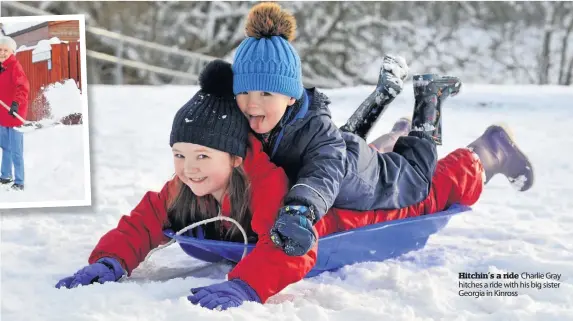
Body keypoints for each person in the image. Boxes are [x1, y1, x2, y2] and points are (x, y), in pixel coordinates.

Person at [54, 60, 534, 311]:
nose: (189, 169)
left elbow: (290, 246)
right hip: (350, 168)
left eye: (202, 157)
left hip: (361, 209)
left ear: (236, 160)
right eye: (179, 156)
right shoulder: (187, 185)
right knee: (374, 155)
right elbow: (144, 221)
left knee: (435, 187)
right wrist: (112, 258)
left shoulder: (266, 185)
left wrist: (246, 285)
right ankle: (397, 135)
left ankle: (488, 149)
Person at [231, 2, 462, 257]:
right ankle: (382, 96)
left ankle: (430, 96)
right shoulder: (260, 118)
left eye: (266, 92)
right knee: (338, 141)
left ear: (290, 97)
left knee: (417, 182)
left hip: (362, 176)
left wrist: (300, 209)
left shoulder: (315, 128)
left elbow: (323, 173)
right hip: (339, 147)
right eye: (243, 91)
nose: (252, 103)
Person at [0, 35, 29, 191]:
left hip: (14, 112)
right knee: (5, 147)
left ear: (12, 52)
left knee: (16, 150)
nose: (2, 53)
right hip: (2, 114)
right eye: (0, 50)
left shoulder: (15, 66)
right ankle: (5, 175)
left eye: (6, 50)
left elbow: (23, 88)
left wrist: (16, 103)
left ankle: (19, 181)